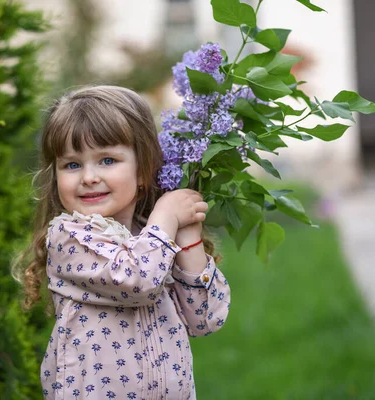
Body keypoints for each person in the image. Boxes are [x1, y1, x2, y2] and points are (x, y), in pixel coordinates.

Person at [12, 85, 230, 399]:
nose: (88, 176)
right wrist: (167, 217)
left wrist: (187, 238)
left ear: (143, 170)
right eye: (72, 165)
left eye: (107, 160)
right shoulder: (69, 238)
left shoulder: (153, 238)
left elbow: (205, 318)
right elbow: (137, 279)